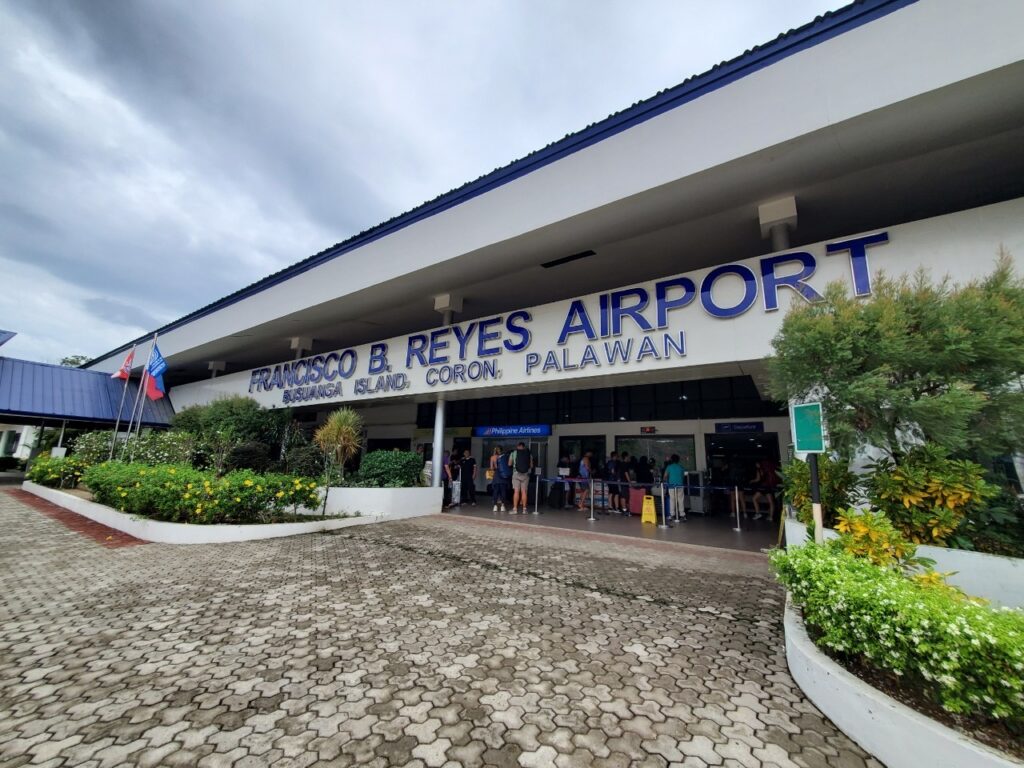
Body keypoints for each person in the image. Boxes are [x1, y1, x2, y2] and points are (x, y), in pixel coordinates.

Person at [508, 441, 533, 514]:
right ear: (524, 447)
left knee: (516, 491)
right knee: (524, 492)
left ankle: (515, 509)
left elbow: (509, 464)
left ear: (517, 446)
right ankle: (524, 510)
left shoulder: (513, 453)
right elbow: (531, 466)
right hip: (525, 474)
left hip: (516, 473)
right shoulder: (528, 454)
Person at [662, 453, 687, 522]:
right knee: (680, 500)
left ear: (672, 460)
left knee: (672, 500)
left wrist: (664, 481)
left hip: (671, 486)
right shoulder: (681, 467)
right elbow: (682, 477)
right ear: (678, 460)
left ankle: (672, 515)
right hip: (680, 485)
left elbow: (665, 476)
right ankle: (682, 515)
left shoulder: (669, 467)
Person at [489, 446, 508, 513]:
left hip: (496, 475)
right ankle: (502, 506)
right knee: (503, 491)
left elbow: (491, 468)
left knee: (495, 491)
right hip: (503, 475)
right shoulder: (504, 457)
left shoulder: (493, 457)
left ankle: (495, 506)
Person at [618, 451, 633, 515]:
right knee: (624, 496)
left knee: (622, 495)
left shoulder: (621, 464)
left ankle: (623, 509)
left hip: (621, 481)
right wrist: (629, 482)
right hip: (624, 482)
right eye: (628, 456)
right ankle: (624, 510)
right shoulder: (625, 464)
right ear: (626, 457)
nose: (629, 458)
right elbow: (626, 473)